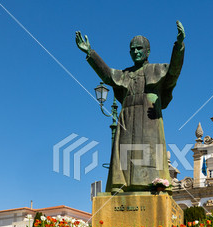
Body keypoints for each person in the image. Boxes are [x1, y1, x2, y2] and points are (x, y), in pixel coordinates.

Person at [75, 21, 185, 194]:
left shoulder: (157, 69)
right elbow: (108, 74)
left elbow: (174, 72)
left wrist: (178, 46)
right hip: (127, 118)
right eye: (132, 49)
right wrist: (90, 52)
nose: (136, 52)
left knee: (150, 152)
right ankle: (122, 185)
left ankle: (154, 184)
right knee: (124, 152)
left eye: (139, 48)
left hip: (149, 119)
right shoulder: (125, 74)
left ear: (148, 51)